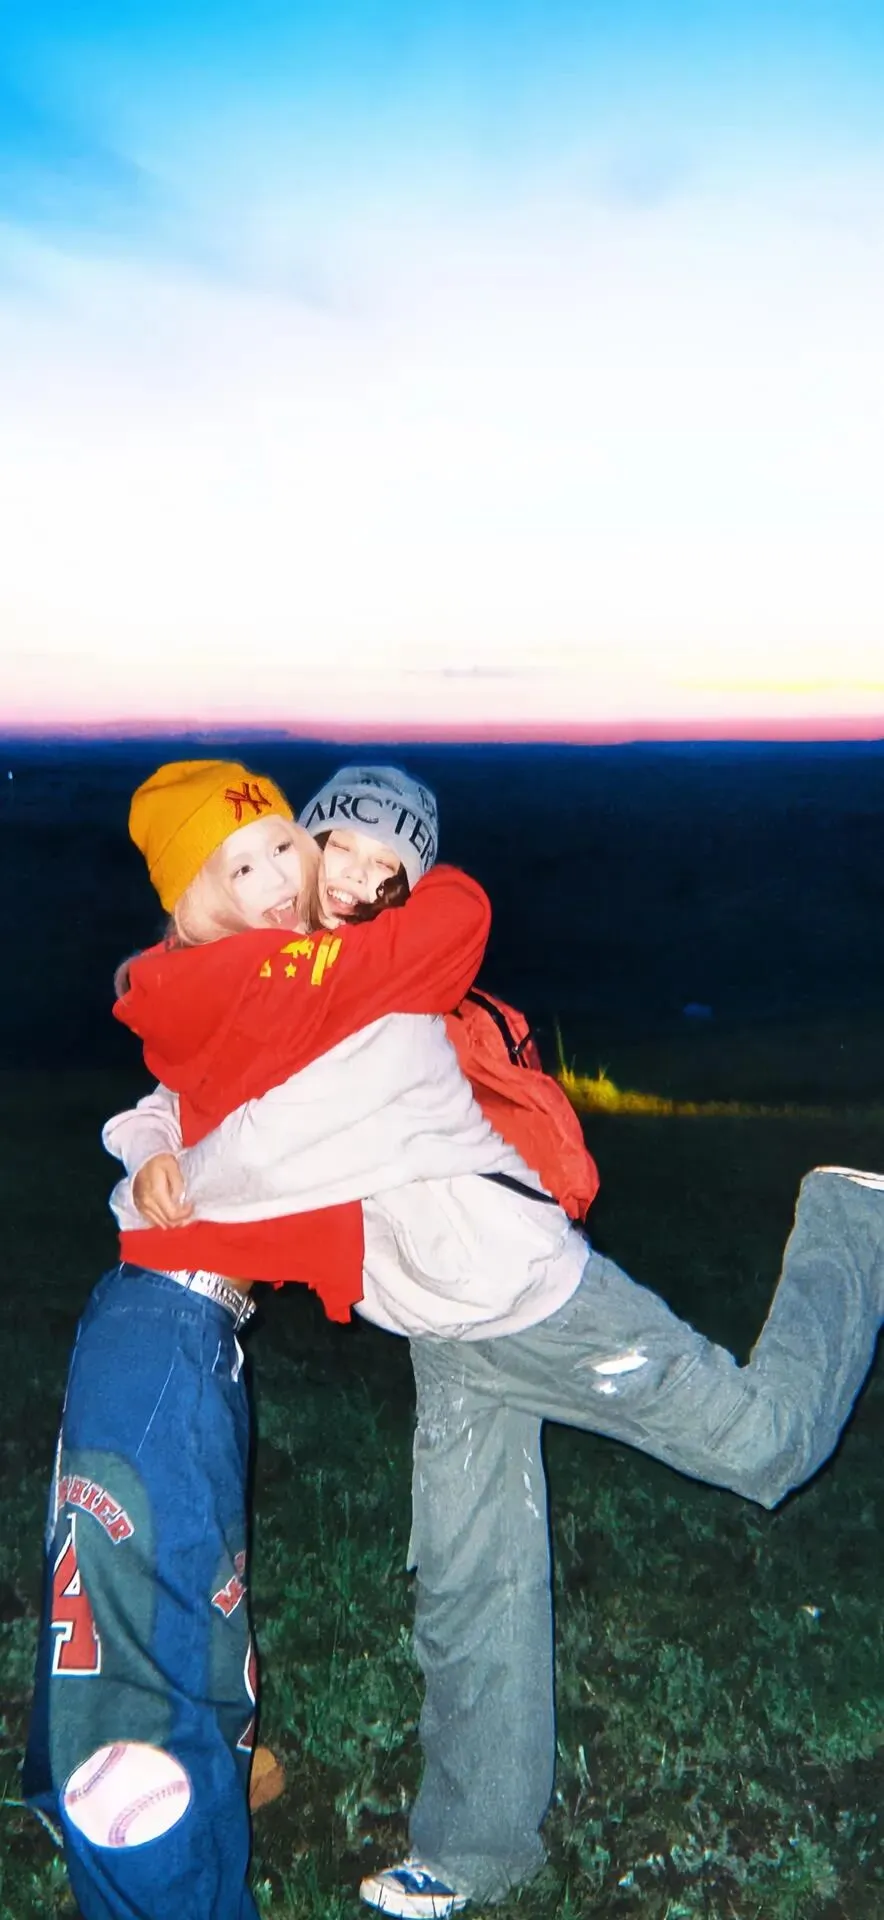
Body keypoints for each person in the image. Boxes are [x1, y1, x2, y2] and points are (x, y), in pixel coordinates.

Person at [106, 763, 884, 1920]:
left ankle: (850, 1221)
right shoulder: (292, 980)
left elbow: (261, 1153)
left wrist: (155, 1187)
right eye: (336, 849)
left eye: (388, 869)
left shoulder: (385, 1016)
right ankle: (476, 1847)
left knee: (765, 1448)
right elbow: (194, 1081)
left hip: (536, 1302)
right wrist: (147, 1137)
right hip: (445, 1331)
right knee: (471, 1583)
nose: (353, 880)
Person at [24, 757, 496, 1920]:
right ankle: (163, 1871)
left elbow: (176, 1090)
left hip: (185, 1329)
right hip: (165, 1327)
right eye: (239, 868)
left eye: (284, 843)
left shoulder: (247, 986)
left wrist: (147, 1141)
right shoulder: (268, 979)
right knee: (148, 1629)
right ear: (193, 903)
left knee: (180, 1594)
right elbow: (449, 921)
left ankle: (187, 1778)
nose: (284, 877)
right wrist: (398, 884)